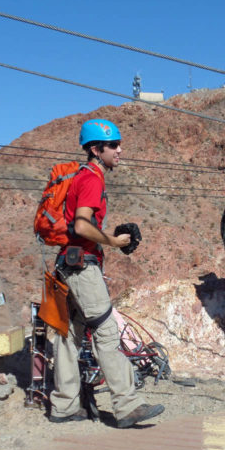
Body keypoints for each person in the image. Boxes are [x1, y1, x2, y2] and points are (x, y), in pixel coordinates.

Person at [49, 119, 165, 427]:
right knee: (106, 332)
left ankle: (64, 405)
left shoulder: (81, 178)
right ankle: (127, 405)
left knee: (68, 336)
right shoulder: (92, 179)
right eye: (113, 145)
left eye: (118, 144)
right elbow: (82, 224)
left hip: (66, 264)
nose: (120, 150)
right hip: (81, 267)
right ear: (95, 150)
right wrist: (112, 241)